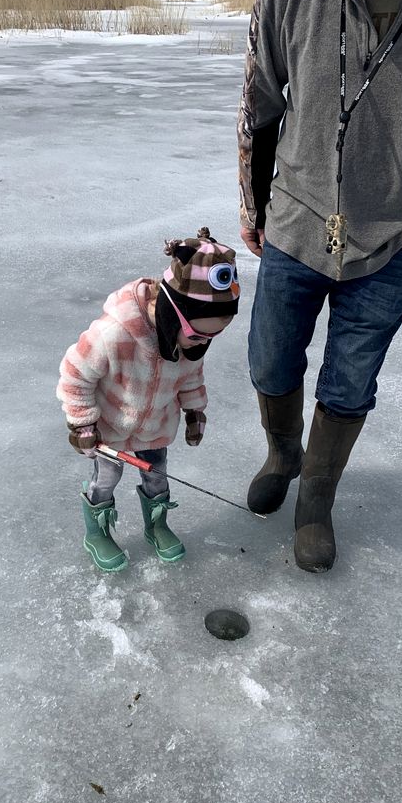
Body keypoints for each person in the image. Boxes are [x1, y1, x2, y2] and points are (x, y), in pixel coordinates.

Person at [238, 0, 402, 572]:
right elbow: (260, 101)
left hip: (393, 235)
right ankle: (282, 457)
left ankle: (315, 501)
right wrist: (254, 207)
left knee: (350, 382)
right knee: (269, 359)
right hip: (295, 221)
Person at [57, 229, 239, 572]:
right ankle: (97, 532)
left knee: (158, 477)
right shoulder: (114, 334)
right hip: (109, 430)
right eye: (199, 335)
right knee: (106, 479)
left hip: (155, 426)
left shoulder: (190, 344)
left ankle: (157, 525)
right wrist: (81, 423)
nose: (202, 346)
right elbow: (74, 373)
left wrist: (194, 411)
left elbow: (191, 376)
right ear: (172, 313)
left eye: (214, 336)